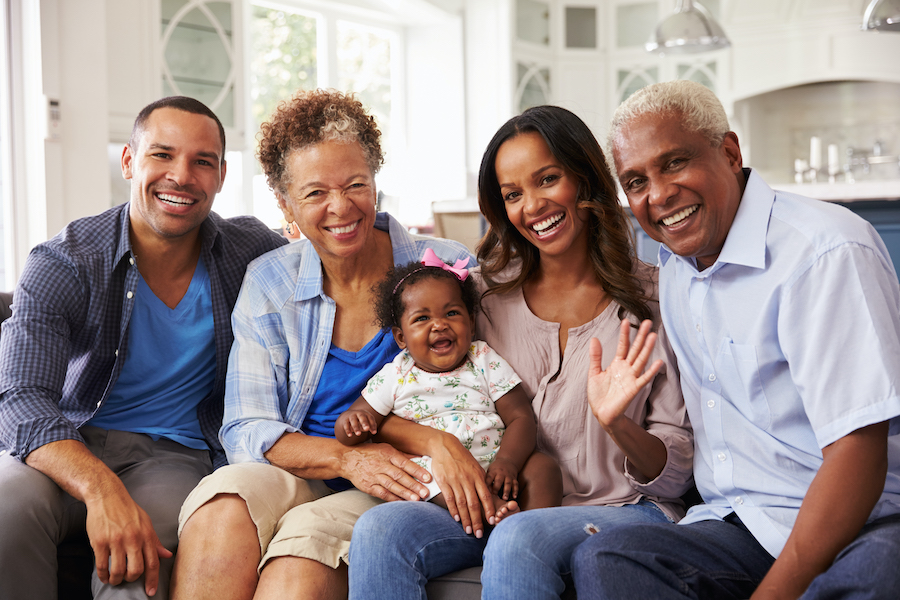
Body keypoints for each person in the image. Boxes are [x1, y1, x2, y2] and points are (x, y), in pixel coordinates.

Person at [572, 80, 900, 600]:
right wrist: (619, 425)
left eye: (674, 163)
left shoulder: (825, 251)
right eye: (636, 181)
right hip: (744, 523)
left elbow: (857, 452)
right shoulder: (677, 269)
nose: (657, 195)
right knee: (608, 559)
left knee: (877, 575)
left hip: (863, 522)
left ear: (728, 152)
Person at [348, 105, 693, 600]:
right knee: (381, 529)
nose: (532, 206)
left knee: (518, 536)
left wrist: (618, 424)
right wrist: (436, 444)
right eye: (513, 194)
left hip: (622, 510)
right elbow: (413, 392)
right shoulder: (480, 300)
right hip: (503, 506)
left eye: (547, 179)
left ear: (585, 178)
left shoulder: (656, 300)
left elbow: (675, 472)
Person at [169, 89, 475, 600]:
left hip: (403, 480)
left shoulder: (444, 269)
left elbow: (492, 385)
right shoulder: (270, 282)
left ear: (376, 180)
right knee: (223, 504)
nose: (341, 207)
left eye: (356, 184)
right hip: (303, 467)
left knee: (301, 555)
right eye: (314, 194)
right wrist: (345, 458)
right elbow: (246, 427)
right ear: (285, 203)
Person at [0, 96, 288, 599]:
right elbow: (20, 398)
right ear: (130, 160)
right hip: (69, 442)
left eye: (203, 161)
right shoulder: (66, 261)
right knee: (4, 510)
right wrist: (100, 488)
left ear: (220, 176)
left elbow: (336, 255)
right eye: (162, 155)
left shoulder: (249, 252)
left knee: (139, 558)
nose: (182, 175)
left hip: (173, 456)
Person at [335, 249, 562, 516]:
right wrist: (352, 423)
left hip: (498, 466)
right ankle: (494, 513)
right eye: (422, 318)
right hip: (440, 471)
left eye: (452, 313)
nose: (439, 325)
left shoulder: (483, 359)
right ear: (400, 338)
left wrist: (508, 462)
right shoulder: (396, 374)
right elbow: (355, 422)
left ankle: (532, 529)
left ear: (472, 323)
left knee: (544, 467)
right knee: (424, 476)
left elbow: (521, 418)